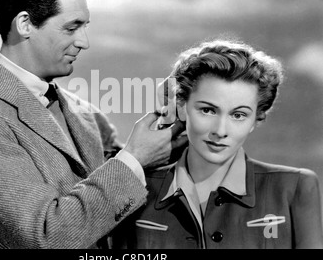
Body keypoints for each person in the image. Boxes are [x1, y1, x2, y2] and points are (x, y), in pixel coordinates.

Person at [0, 0, 187, 249]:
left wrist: (177, 121)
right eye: (71, 28)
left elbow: (129, 189)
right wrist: (134, 158)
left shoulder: (83, 111)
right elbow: (46, 237)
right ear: (25, 24)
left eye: (85, 26)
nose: (84, 41)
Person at [111, 39, 323, 249]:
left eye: (238, 115)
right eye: (208, 110)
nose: (220, 131)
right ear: (183, 107)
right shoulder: (135, 189)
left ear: (256, 119)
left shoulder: (295, 187)